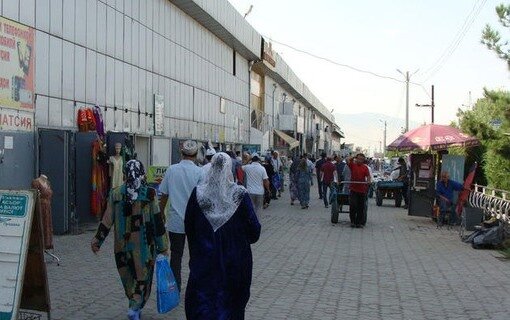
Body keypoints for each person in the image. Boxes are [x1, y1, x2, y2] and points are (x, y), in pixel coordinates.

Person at [184, 152, 261, 320]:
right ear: (229, 170)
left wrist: (196, 251)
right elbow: (255, 232)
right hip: (234, 265)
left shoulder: (198, 194)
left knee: (203, 305)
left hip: (204, 262)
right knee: (231, 307)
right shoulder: (239, 195)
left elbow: (189, 228)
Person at [91, 160, 169, 320]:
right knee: (143, 278)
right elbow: (157, 221)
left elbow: (107, 219)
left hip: (122, 246)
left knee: (128, 278)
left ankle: (134, 304)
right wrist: (163, 246)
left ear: (125, 175)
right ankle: (134, 307)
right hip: (144, 247)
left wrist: (97, 241)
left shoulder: (116, 193)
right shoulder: (149, 194)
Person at [159, 139, 202, 292]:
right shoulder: (199, 172)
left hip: (175, 221)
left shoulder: (171, 170)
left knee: (176, 256)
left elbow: (163, 194)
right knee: (195, 256)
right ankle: (195, 287)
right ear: (196, 155)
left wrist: (160, 213)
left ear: (181, 153)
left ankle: (175, 287)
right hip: (195, 223)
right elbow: (203, 198)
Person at [347, 153, 371, 228]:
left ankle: (359, 222)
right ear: (356, 159)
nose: (360, 160)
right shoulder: (353, 165)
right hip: (353, 189)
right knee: (353, 205)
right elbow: (348, 159)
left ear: (364, 160)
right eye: (359, 159)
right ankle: (353, 221)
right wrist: (354, 156)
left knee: (361, 207)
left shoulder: (365, 167)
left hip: (362, 190)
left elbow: (368, 176)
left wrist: (368, 181)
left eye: (362, 159)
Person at [31, 174, 54, 250]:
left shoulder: (47, 182)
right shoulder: (36, 182)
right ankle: (40, 244)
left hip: (47, 207)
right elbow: (34, 195)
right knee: (41, 224)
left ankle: (47, 244)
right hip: (40, 207)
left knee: (47, 224)